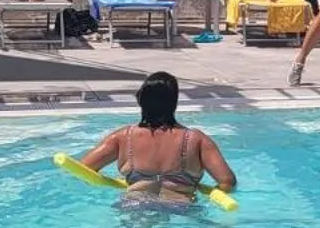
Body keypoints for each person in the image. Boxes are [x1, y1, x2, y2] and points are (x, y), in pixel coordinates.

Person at [77, 71, 236, 203]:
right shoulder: (197, 139)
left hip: (135, 207)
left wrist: (116, 182)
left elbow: (83, 170)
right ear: (174, 103)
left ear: (141, 101)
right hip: (182, 210)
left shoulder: (123, 137)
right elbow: (227, 182)